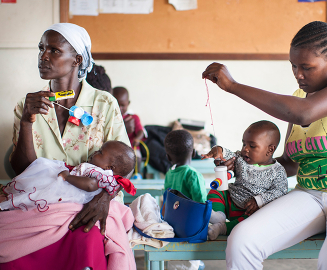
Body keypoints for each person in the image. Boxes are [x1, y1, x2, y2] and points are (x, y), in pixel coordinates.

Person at [202, 21, 327, 270]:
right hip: (309, 195)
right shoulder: (299, 99)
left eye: (306, 67)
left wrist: (232, 86)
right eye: (294, 66)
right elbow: (288, 163)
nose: (298, 74)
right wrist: (246, 163)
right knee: (242, 240)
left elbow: (304, 114)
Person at [3, 23, 130, 270]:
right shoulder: (26, 105)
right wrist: (27, 121)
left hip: (89, 205)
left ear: (77, 60)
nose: (44, 56)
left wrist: (105, 197)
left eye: (54, 50)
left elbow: (124, 165)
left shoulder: (104, 104)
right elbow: (22, 171)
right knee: (12, 256)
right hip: (40, 205)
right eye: (41, 49)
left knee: (87, 244)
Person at [202, 120, 287, 240]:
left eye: (252, 146)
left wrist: (260, 200)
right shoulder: (241, 159)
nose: (245, 149)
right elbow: (228, 154)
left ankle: (222, 228)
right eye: (244, 144)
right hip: (231, 199)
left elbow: (280, 191)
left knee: (257, 219)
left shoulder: (277, 171)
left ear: (270, 150)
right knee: (217, 190)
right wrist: (219, 150)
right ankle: (218, 215)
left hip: (249, 210)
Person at [1, 141, 136, 212]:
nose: (95, 152)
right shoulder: (99, 171)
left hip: (69, 193)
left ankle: (13, 202)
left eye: (100, 152)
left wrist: (67, 177)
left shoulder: (101, 175)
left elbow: (90, 185)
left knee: (40, 193)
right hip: (68, 186)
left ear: (109, 168)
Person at [164, 129, 207, 203]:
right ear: (194, 153)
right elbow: (202, 204)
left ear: (168, 157)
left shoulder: (169, 174)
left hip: (173, 214)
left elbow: (167, 200)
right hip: (192, 214)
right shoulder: (193, 175)